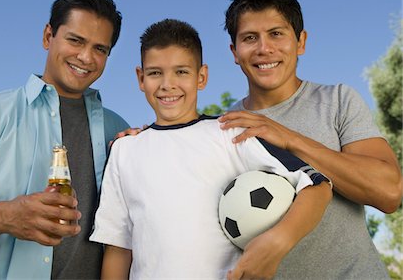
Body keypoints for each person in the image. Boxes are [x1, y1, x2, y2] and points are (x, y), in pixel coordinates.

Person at [90, 18, 332, 279]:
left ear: (201, 76)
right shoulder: (124, 151)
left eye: (181, 72)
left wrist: (277, 242)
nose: (167, 84)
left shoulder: (230, 132)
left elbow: (317, 186)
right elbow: (118, 247)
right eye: (155, 73)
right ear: (141, 78)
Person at [218, 0, 402, 279]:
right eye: (250, 38)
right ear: (235, 52)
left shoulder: (338, 100)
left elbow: (389, 192)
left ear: (300, 42)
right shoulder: (224, 128)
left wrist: (290, 139)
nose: (264, 48)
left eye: (276, 34)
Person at [0, 0, 129, 279]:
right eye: (75, 40)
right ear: (49, 36)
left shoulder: (119, 130)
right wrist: (9, 216)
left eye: (100, 49)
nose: (86, 57)